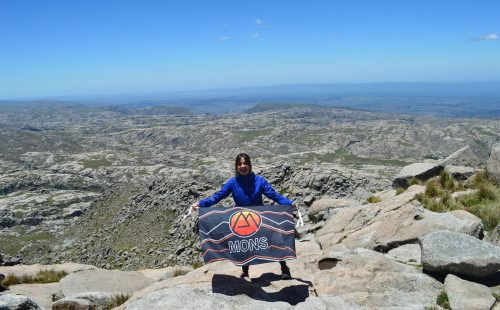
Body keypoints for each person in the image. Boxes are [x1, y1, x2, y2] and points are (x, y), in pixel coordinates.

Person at [192, 153, 297, 280]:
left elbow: (274, 195)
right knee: (244, 244)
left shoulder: (259, 181)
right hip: (241, 219)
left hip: (260, 218)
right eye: (240, 164)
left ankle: (284, 268)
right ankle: (245, 271)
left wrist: (289, 203)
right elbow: (218, 196)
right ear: (236, 167)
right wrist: (201, 204)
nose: (243, 166)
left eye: (245, 163)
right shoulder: (232, 183)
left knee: (274, 240)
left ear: (249, 165)